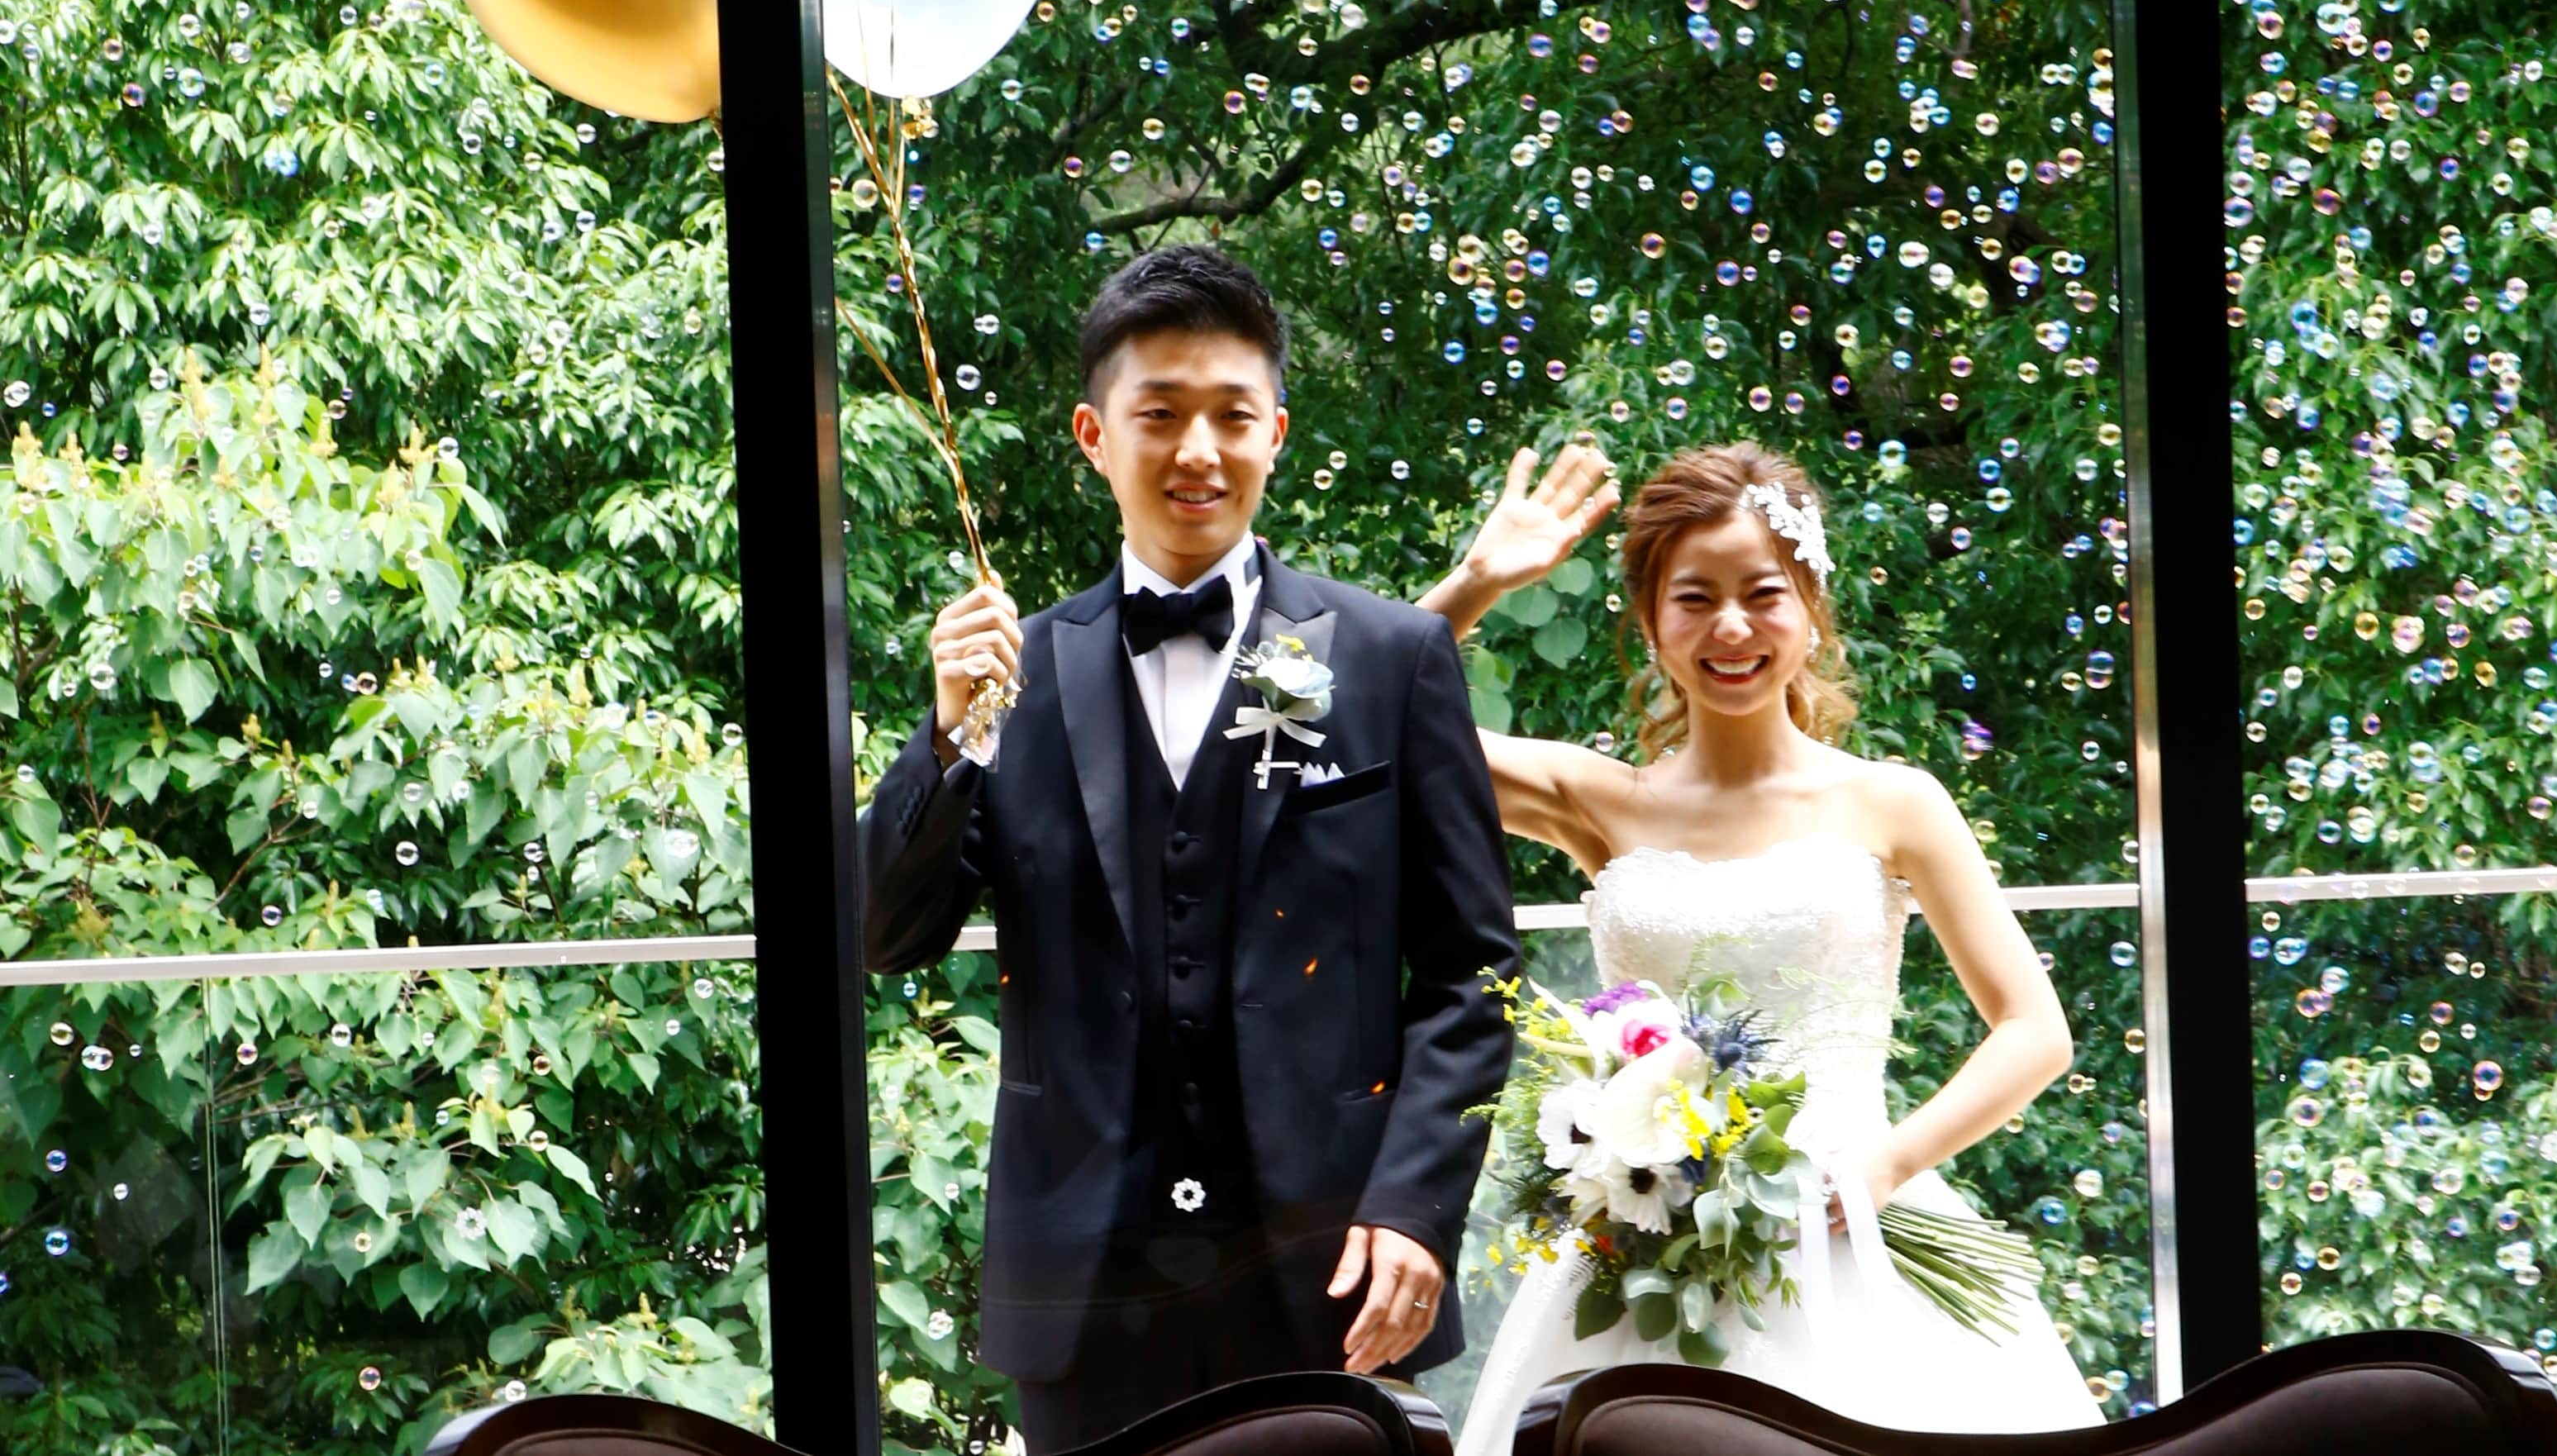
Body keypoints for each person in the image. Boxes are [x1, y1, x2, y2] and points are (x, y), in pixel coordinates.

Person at [859, 244, 1520, 1455]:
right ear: (1094, 435)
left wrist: (1416, 1207)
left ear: (1277, 432)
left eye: (1231, 415)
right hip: (1083, 1286)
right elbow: (881, 934)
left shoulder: (1390, 657)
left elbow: (1474, 975)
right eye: (1159, 414)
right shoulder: (1017, 678)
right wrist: (948, 734)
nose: (1197, 450)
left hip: (1332, 1270)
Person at [1418, 437, 2101, 1448]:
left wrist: (1885, 1165)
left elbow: (2034, 1030)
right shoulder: (1600, 800)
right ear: (1650, 621)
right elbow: (1369, 718)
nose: (1730, 626)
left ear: (1811, 607)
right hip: (1641, 1248)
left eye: (1764, 593)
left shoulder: (1895, 801)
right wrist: (1481, 578)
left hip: (1851, 1232)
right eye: (1694, 599)